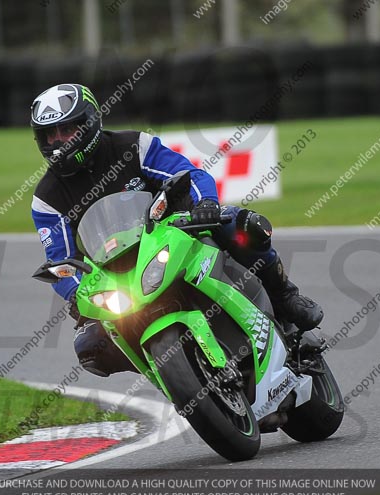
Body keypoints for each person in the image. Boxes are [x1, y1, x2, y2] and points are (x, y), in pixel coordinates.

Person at [30, 83, 322, 377]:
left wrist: (205, 203)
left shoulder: (133, 146)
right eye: (49, 134)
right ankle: (171, 376)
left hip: (176, 233)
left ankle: (285, 296)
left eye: (66, 130)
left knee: (240, 225)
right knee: (90, 344)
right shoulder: (46, 199)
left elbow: (190, 173)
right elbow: (61, 260)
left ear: (89, 122)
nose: (58, 141)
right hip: (117, 274)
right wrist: (75, 296)